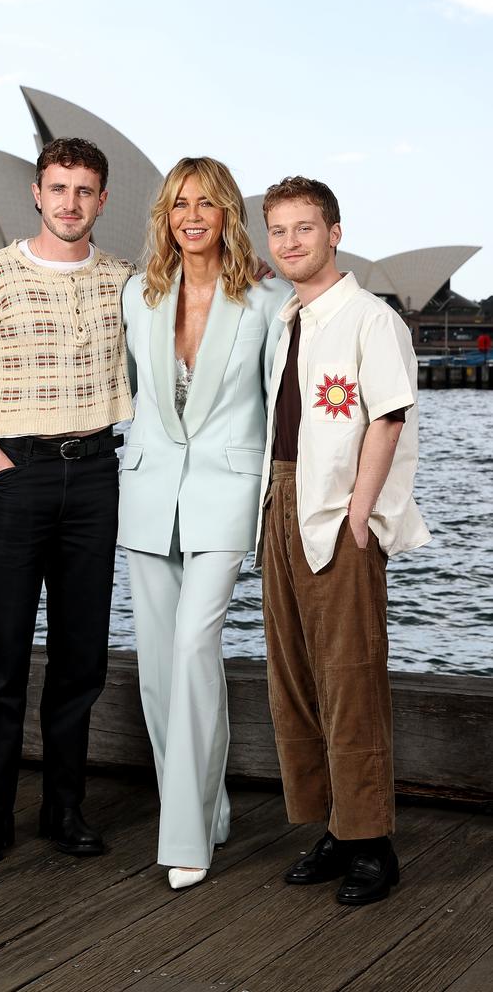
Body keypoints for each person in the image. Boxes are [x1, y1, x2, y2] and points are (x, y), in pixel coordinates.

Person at [0, 138, 134, 867]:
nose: (70, 202)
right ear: (37, 196)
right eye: (58, 188)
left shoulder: (125, 283)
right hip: (18, 476)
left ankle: (65, 810)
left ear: (102, 200)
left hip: (98, 473)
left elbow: (190, 333)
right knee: (2, 655)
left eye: (84, 190)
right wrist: (0, 468)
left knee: (82, 659)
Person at [118, 157, 292, 890]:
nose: (193, 215)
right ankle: (209, 805)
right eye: (180, 203)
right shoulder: (138, 294)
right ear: (166, 214)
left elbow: (287, 403)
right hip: (149, 496)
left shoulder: (264, 301)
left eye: (208, 203)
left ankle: (186, 835)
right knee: (159, 671)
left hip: (226, 494)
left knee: (193, 647)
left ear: (227, 215)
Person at [256, 176, 431, 905]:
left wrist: (359, 517)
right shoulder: (288, 318)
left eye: (304, 227)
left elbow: (385, 421)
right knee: (295, 678)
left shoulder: (370, 318)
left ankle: (372, 843)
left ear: (334, 232)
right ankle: (333, 824)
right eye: (279, 231)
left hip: (339, 509)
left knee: (349, 680)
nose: (291, 242)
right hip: (282, 501)